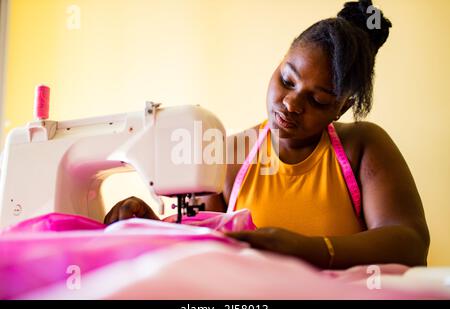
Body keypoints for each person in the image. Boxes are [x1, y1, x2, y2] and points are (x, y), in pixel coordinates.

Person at [104, 0, 430, 270]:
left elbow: (409, 242)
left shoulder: (363, 145)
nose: (290, 103)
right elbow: (203, 250)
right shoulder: (229, 154)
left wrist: (308, 249)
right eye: (287, 80)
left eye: (317, 100)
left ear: (342, 109)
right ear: (279, 65)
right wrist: (150, 228)